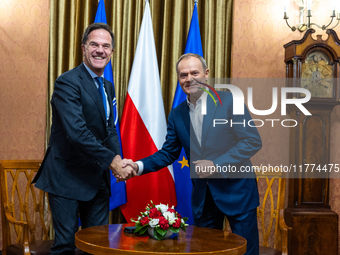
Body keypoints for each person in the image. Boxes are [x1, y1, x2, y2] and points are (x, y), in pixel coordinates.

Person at [121, 53, 262, 255]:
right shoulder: (177, 114)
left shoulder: (230, 100)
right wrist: (137, 165)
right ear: (179, 79)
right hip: (203, 198)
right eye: (183, 75)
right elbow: (168, 153)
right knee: (205, 252)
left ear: (206, 74)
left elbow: (252, 141)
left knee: (247, 252)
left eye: (194, 73)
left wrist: (216, 164)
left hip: (238, 193)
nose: (189, 79)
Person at [33, 23, 135, 254]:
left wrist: (118, 159)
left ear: (111, 51)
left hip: (96, 178)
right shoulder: (67, 82)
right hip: (66, 177)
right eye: (94, 45)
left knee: (97, 244)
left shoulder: (107, 86)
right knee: (66, 246)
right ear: (83, 48)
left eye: (106, 46)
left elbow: (109, 129)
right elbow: (76, 133)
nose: (100, 50)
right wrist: (113, 162)